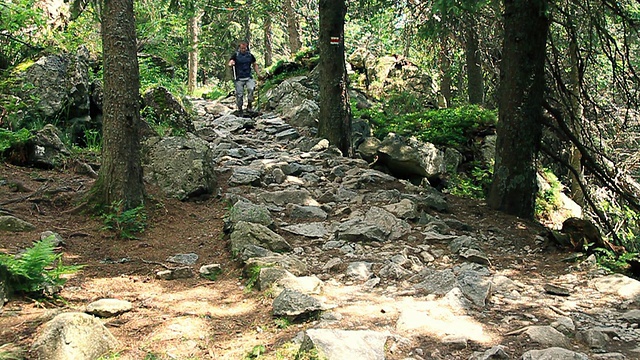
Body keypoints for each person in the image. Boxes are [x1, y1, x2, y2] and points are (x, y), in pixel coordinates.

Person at [228, 41, 260, 112]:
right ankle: (240, 108)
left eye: (244, 48)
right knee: (240, 95)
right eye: (242, 48)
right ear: (239, 48)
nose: (243, 50)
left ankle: (249, 105)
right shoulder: (236, 55)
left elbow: (255, 64)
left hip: (248, 77)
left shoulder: (250, 56)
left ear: (246, 48)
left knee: (251, 89)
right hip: (239, 78)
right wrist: (231, 63)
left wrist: (258, 74)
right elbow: (230, 62)